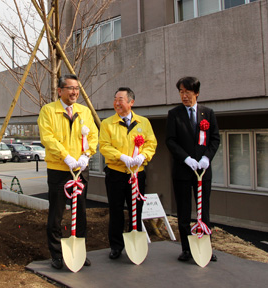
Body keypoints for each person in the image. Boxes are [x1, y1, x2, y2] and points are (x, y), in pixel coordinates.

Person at [37, 74, 98, 270]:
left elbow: (94, 136)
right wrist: (66, 157)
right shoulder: (48, 111)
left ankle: (79, 252)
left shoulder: (84, 111)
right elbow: (48, 138)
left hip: (80, 169)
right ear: (60, 91)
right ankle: (56, 255)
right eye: (70, 88)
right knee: (56, 214)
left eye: (77, 89)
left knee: (80, 212)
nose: (74, 92)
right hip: (59, 169)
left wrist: (86, 156)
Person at [165, 76, 220, 262]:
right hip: (182, 170)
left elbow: (215, 139)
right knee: (183, 211)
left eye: (187, 92)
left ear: (196, 93)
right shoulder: (174, 114)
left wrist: (206, 158)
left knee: (203, 210)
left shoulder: (208, 113)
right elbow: (170, 141)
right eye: (181, 92)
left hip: (202, 172)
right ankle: (187, 249)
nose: (184, 96)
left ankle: (206, 248)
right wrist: (186, 158)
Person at [100, 87, 157, 260]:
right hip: (116, 174)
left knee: (136, 210)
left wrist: (143, 156)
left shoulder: (143, 122)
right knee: (116, 210)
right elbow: (104, 146)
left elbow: (151, 143)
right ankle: (116, 246)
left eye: (121, 99)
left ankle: (136, 243)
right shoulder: (107, 123)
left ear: (131, 102)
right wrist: (121, 156)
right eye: (115, 99)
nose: (117, 103)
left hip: (137, 174)